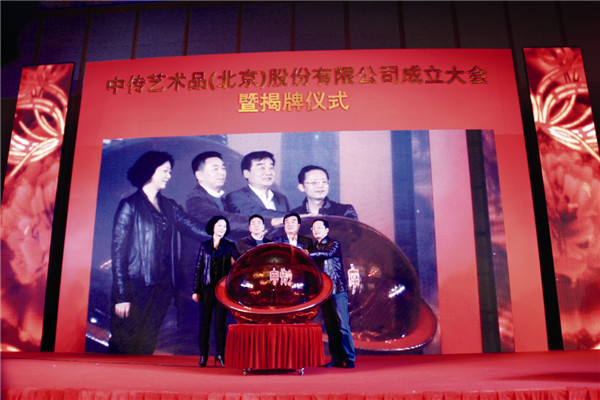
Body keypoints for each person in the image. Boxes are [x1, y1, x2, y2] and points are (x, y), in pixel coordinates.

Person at [108, 151, 206, 355]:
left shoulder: (170, 206)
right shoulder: (130, 205)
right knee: (124, 343)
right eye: (165, 171)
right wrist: (121, 296)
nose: (168, 176)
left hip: (163, 287)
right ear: (150, 171)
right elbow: (119, 254)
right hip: (136, 286)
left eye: (169, 171)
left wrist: (224, 233)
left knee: (147, 342)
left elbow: (195, 228)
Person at [193, 215, 240, 367]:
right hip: (206, 289)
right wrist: (196, 290)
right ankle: (203, 355)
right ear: (213, 227)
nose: (222, 228)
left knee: (220, 324)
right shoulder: (205, 245)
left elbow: (239, 262)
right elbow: (199, 268)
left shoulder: (230, 245)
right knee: (204, 323)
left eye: (224, 226)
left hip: (222, 290)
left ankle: (220, 355)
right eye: (219, 225)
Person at [309, 218, 356, 368]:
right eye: (314, 228)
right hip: (324, 292)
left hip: (337, 289)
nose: (316, 230)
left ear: (327, 230)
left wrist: (307, 253)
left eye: (319, 227)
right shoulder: (314, 248)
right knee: (330, 326)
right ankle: (336, 358)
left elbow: (326, 253)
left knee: (343, 325)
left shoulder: (333, 244)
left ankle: (349, 358)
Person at [224, 151, 289, 225]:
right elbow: (253, 214)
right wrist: (291, 217)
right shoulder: (236, 196)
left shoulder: (282, 198)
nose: (268, 172)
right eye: (262, 168)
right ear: (246, 173)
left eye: (271, 168)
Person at [290, 165, 358, 220]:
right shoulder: (293, 215)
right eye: (314, 182)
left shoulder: (344, 211)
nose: (320, 186)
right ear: (301, 187)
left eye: (324, 182)